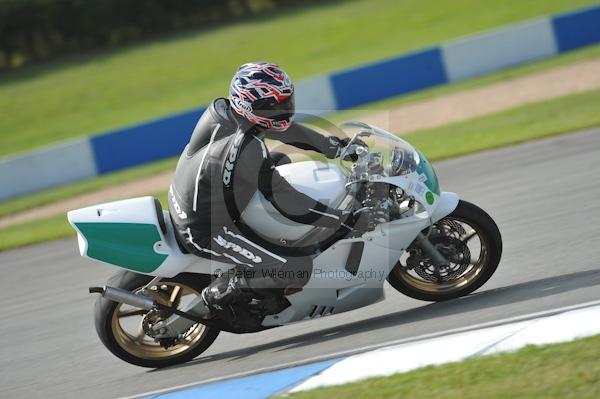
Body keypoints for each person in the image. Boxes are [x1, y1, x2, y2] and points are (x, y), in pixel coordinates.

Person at [168, 62, 359, 317]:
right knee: (294, 267)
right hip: (205, 228)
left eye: (285, 101)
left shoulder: (224, 109)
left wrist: (333, 147)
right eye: (273, 106)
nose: (283, 110)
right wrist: (339, 220)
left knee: (280, 161)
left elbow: (284, 130)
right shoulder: (245, 148)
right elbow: (285, 198)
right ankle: (221, 291)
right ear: (249, 106)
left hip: (197, 197)